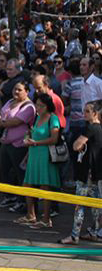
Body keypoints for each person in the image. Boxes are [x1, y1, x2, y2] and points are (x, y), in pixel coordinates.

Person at [14, 93, 61, 229]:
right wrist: (28, 138)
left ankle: (46, 219)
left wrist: (36, 143)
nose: (38, 108)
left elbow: (54, 139)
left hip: (45, 155)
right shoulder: (37, 117)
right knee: (27, 184)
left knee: (45, 187)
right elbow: (33, 133)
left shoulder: (53, 118)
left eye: (41, 105)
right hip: (34, 154)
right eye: (37, 105)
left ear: (48, 106)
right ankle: (31, 215)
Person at [59, 100, 102, 244]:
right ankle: (95, 232)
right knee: (96, 205)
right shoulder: (99, 128)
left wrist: (79, 144)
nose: (84, 114)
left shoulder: (90, 128)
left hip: (86, 173)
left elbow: (76, 145)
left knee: (79, 205)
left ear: (95, 113)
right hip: (95, 173)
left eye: (87, 111)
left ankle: (74, 235)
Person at [0, 82, 36, 213]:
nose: (16, 92)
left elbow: (16, 122)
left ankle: (22, 201)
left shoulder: (29, 107)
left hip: (19, 144)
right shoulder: (10, 101)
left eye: (19, 90)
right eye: (14, 89)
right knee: (4, 170)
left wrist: (0, 122)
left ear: (27, 91)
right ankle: (9, 196)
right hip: (5, 142)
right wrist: (0, 120)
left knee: (19, 173)